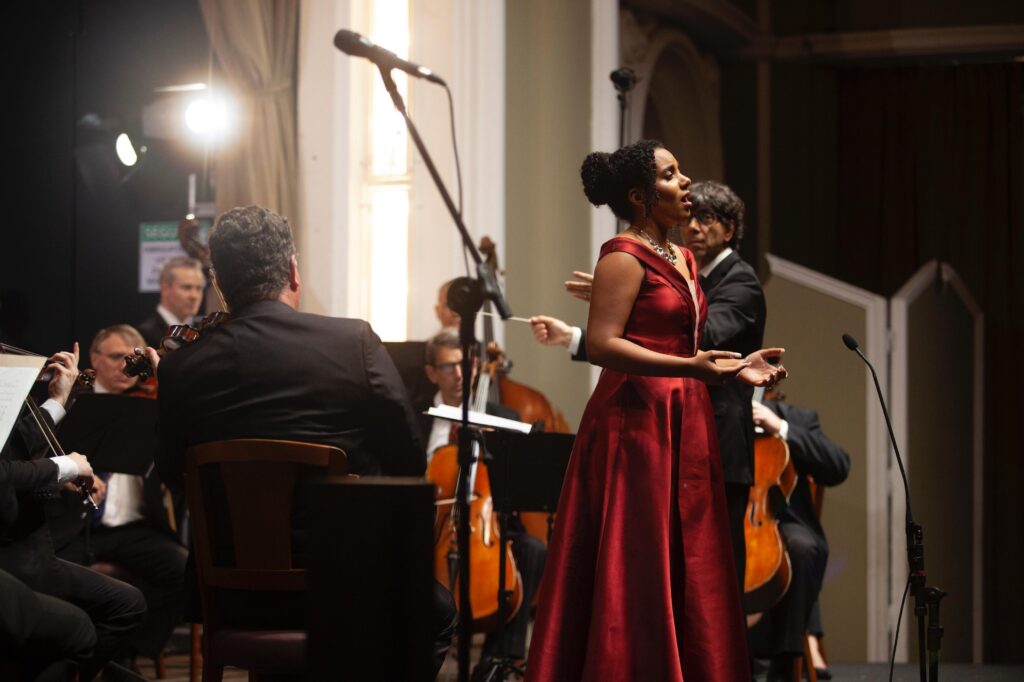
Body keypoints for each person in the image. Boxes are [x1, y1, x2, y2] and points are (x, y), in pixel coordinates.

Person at [153, 205, 456, 677]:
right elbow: (409, 459)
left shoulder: (178, 367)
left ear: (219, 283)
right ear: (293, 271)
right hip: (344, 584)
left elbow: (173, 476)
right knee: (435, 615)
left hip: (235, 596)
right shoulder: (351, 342)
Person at [525, 140, 784, 681]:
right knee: (638, 555)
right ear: (641, 196)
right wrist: (692, 367)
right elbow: (601, 345)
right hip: (635, 421)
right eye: (671, 174)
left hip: (684, 417)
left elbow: (687, 336)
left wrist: (741, 367)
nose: (686, 181)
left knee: (687, 556)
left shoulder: (683, 257)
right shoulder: (622, 253)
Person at [0, 344, 146, 680]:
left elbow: (14, 448)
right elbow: (5, 470)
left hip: (28, 550)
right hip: (15, 555)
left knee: (123, 606)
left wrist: (57, 399)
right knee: (97, 619)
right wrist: (63, 466)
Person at [52, 324, 187, 668]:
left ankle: (126, 652)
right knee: (53, 580)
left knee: (184, 567)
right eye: (116, 358)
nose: (126, 366)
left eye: (134, 359)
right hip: (76, 525)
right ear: (95, 359)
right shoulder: (70, 402)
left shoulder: (153, 408)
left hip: (131, 530)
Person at [419, 329, 545, 672]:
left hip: (486, 527)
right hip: (429, 532)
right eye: (448, 367)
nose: (459, 375)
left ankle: (499, 660)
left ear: (476, 365)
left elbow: (518, 484)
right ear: (431, 372)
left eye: (464, 364)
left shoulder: (501, 418)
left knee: (533, 549)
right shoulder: (415, 417)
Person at [748, 397, 849, 681]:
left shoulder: (798, 418)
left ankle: (785, 664)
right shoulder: (717, 412)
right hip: (730, 520)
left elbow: (839, 466)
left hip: (785, 521)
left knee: (803, 549)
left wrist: (780, 427)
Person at [136, 256, 206, 348]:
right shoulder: (143, 336)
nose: (194, 296)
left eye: (199, 288)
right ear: (165, 288)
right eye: (186, 287)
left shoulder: (203, 333)